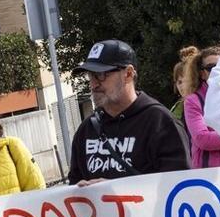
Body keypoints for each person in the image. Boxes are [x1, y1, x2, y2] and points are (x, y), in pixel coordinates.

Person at [68, 39, 190, 185]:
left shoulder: (160, 123)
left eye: (101, 75)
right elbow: (73, 187)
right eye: (90, 75)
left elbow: (180, 188)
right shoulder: (86, 130)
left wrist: (116, 191)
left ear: (128, 74)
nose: (93, 84)